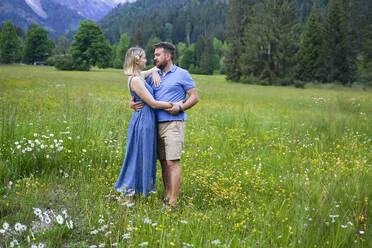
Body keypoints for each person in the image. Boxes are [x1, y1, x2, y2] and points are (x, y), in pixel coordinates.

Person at [131, 42, 199, 207]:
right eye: (154, 55)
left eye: (158, 55)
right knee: (162, 162)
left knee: (172, 162)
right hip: (154, 125)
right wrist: (131, 102)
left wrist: (181, 107)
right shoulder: (154, 74)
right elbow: (135, 86)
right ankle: (167, 196)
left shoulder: (182, 74)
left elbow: (194, 97)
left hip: (174, 124)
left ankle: (173, 202)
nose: (154, 58)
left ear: (168, 56)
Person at [114, 47, 180, 201]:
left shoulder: (138, 76)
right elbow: (154, 103)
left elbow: (150, 70)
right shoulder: (136, 80)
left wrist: (156, 71)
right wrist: (173, 105)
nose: (146, 60)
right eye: (143, 58)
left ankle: (135, 190)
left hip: (147, 119)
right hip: (143, 120)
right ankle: (129, 191)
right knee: (137, 154)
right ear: (137, 60)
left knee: (143, 153)